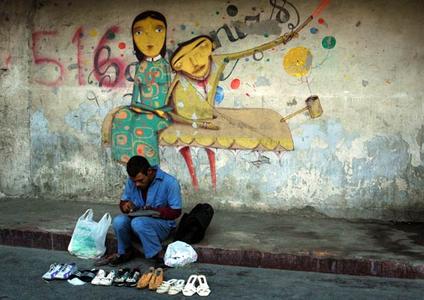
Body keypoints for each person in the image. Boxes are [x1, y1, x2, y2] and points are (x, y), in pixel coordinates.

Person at [111, 11, 172, 165]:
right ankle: (130, 165)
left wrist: (161, 111)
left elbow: (171, 100)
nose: (149, 38)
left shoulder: (165, 66)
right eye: (139, 32)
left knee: (143, 126)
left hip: (163, 114)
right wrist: (145, 110)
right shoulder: (141, 66)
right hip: (146, 110)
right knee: (121, 116)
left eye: (158, 30)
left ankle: (150, 167)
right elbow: (134, 102)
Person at [103, 155, 182, 266]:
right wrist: (125, 206)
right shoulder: (133, 181)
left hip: (161, 226)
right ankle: (126, 252)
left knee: (138, 222)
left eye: (140, 180)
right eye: (134, 181)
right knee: (118, 221)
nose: (137, 184)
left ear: (149, 171)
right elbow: (123, 202)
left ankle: (158, 255)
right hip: (138, 224)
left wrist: (154, 211)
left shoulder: (170, 182)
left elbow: (176, 211)